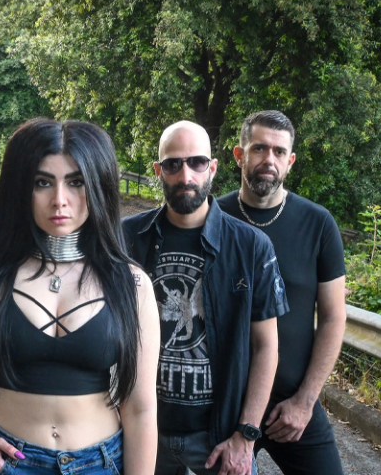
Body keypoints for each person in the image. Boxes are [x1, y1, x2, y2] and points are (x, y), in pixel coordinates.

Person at [0, 119, 160, 475]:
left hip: (98, 465)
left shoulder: (133, 284)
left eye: (76, 182)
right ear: (21, 188)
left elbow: (140, 408)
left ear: (98, 186)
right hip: (2, 462)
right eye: (42, 182)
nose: (59, 200)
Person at [123, 121, 286, 475]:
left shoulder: (251, 247)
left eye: (196, 162)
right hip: (141, 428)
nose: (186, 176)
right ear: (158, 171)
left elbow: (266, 347)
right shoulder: (128, 238)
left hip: (219, 436)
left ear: (212, 168)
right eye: (173, 164)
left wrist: (246, 434)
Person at [218, 110, 347, 475]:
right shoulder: (213, 218)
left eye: (279, 152)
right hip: (225, 406)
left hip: (292, 404)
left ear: (290, 161)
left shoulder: (318, 224)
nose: (269, 160)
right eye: (259, 148)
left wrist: (305, 401)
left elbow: (334, 317)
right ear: (239, 155)